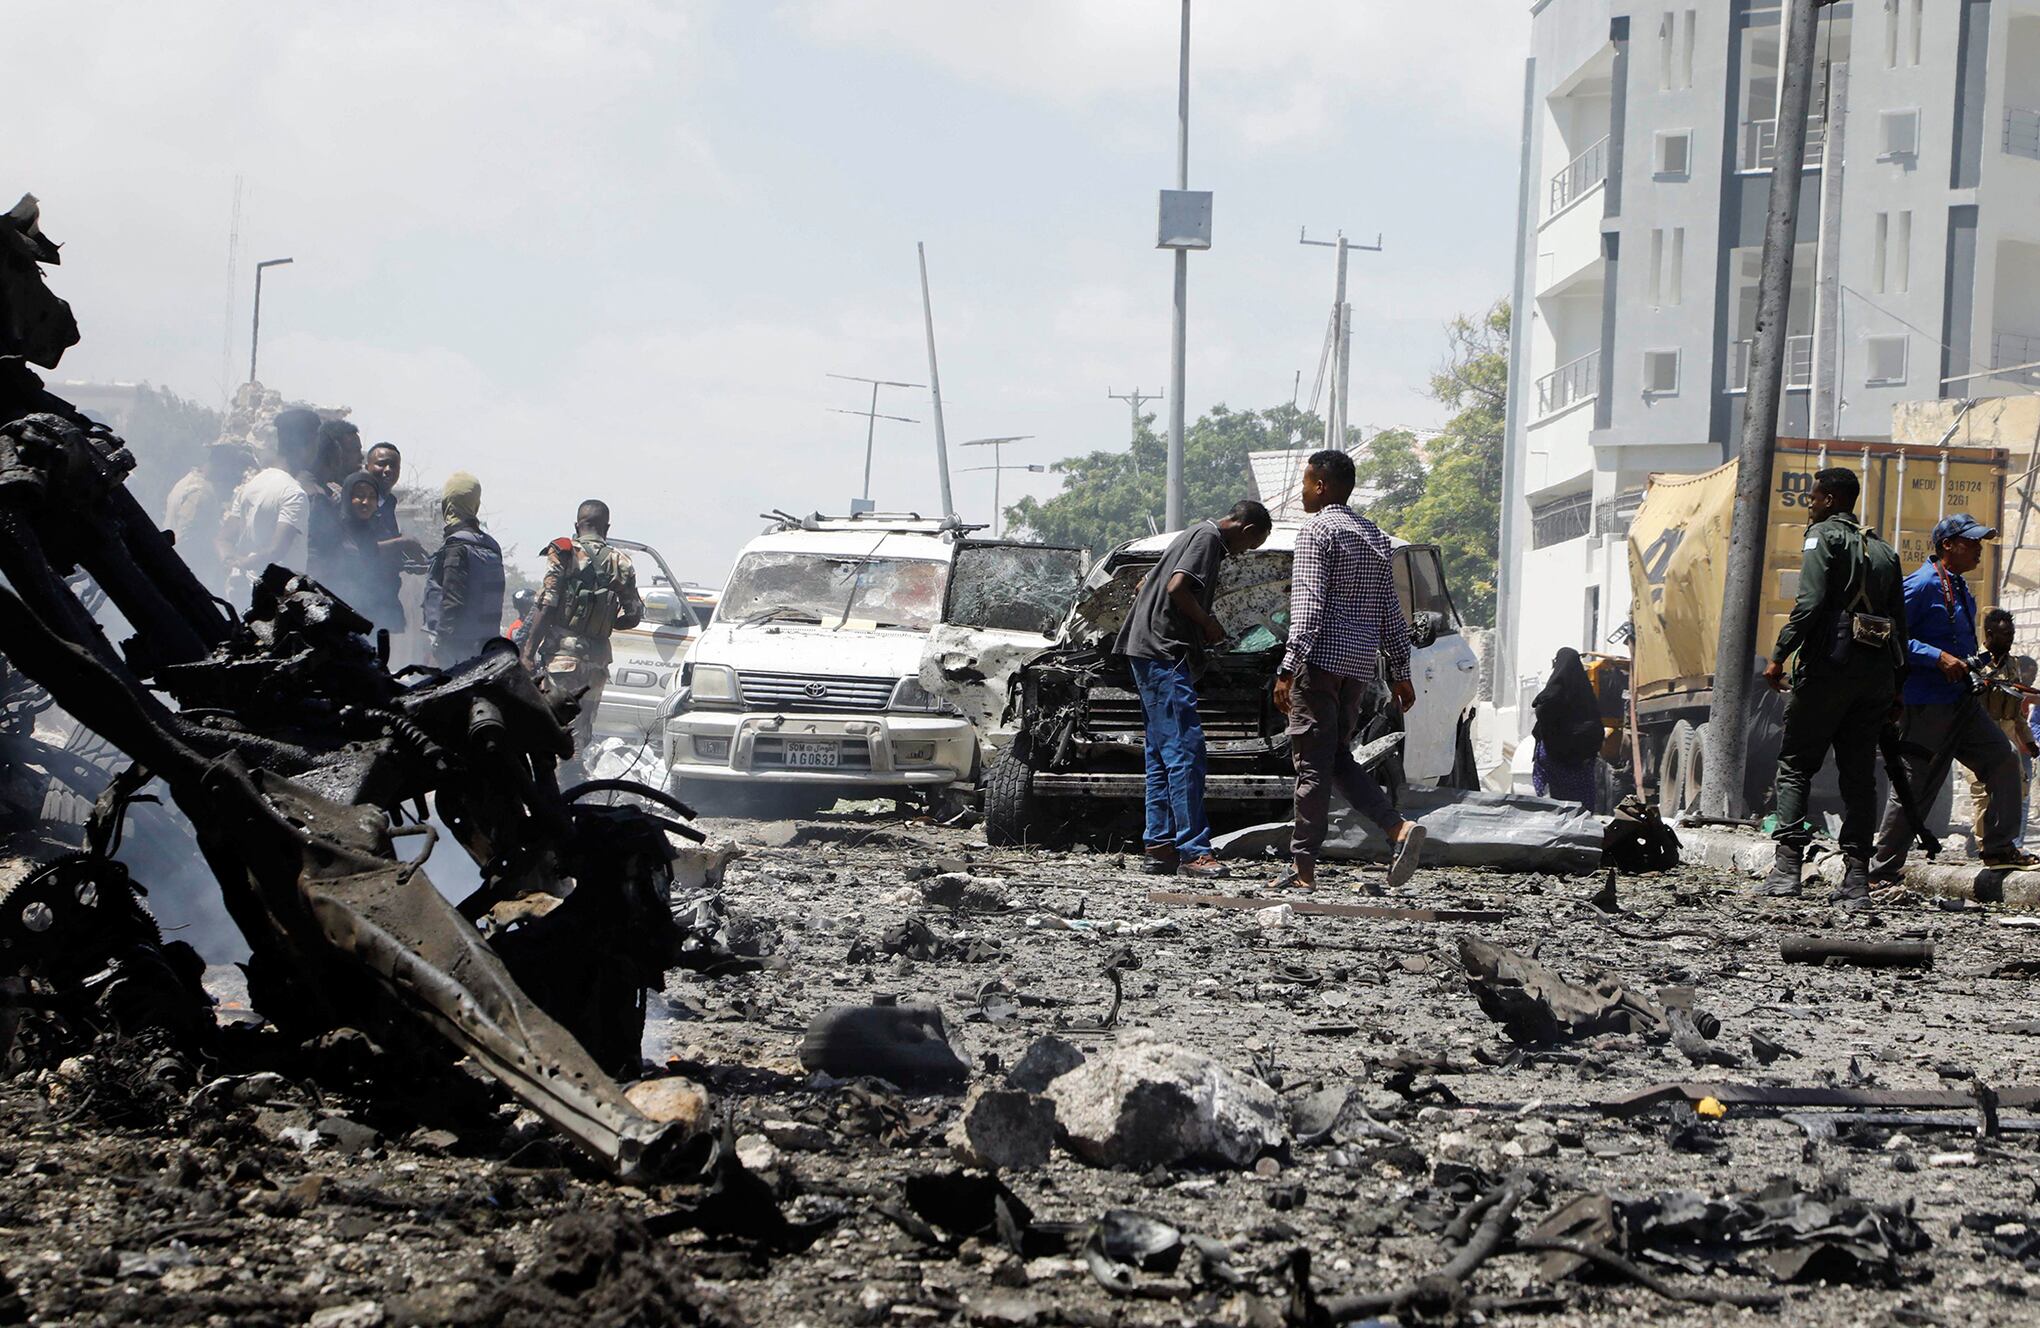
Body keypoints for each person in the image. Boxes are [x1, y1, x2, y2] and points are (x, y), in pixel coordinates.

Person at [1272, 449, 1425, 890]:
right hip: (1357, 668)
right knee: (1336, 759)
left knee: (1313, 768)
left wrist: (1288, 667)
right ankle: (1396, 828)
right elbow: (1389, 612)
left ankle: (1303, 869)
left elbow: (1309, 607)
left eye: (1304, 482)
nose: (1302, 491)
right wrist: (1401, 670)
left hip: (1319, 665)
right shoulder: (1374, 536)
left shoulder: (1316, 532)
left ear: (1320, 485)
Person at [1756, 467, 1907, 904]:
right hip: (1875, 677)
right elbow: (1900, 623)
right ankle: (1856, 880)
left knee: (1797, 764)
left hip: (1828, 671)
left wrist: (1780, 654)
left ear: (1830, 500)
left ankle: (1786, 870)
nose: (1810, 506)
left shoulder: (1822, 536)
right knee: (1859, 777)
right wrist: (1897, 687)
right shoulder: (1884, 550)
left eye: (1814, 498)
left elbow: (1810, 602)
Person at [1868, 513, 2039, 880]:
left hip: (1961, 702)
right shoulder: (1922, 584)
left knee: (2003, 759)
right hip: (1927, 704)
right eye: (1971, 542)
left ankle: (1998, 848)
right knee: (1915, 786)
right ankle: (1881, 871)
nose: (1979, 549)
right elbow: (1889, 632)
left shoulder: (1959, 588)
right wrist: (1936, 657)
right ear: (1947, 545)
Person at [1113, 499, 1274, 878]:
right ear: (1247, 530)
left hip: (1146, 649)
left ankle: (1160, 846)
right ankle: (1194, 851)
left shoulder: (1192, 532)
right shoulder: (1210, 539)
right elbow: (1178, 587)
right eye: (1248, 547)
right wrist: (1209, 624)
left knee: (1160, 754)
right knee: (1187, 751)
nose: (1238, 555)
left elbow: (1145, 583)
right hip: (1166, 652)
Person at [520, 499, 642, 761]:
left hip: (563, 659)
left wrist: (528, 652)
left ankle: (554, 794)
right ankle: (573, 787)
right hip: (597, 663)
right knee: (580, 734)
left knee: (552, 729)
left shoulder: (564, 551)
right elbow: (633, 616)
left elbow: (548, 603)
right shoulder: (622, 562)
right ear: (606, 528)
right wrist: (607, 620)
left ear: (577, 525)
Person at [218, 408, 318, 605]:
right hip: (277, 600)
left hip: (244, 595)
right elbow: (276, 550)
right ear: (307, 445)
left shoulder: (252, 484)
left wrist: (231, 561)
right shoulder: (293, 493)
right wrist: (244, 563)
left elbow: (222, 538)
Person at [1963, 610, 2039, 848]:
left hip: (2007, 737)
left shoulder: (2013, 665)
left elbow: (2016, 712)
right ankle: (1984, 847)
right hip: (1979, 736)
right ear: (1989, 634)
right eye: (2005, 634)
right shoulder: (1974, 662)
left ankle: (2008, 846)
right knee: (1983, 795)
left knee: (2018, 791)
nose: (2010, 639)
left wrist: (2029, 742)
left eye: (2012, 634)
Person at [421, 472, 506, 668]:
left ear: (447, 504)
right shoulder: (492, 547)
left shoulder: (456, 547)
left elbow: (453, 601)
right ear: (475, 505)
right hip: (486, 648)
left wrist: (441, 646)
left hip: (456, 650)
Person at [162, 442, 250, 595]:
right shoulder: (201, 493)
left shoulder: (187, 481)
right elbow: (185, 539)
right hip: (188, 570)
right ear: (223, 466)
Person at [326, 471, 406, 632]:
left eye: (371, 496)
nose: (365, 502)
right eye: (359, 495)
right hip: (343, 616)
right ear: (348, 498)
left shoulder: (378, 529)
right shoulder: (336, 528)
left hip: (374, 617)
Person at [1530, 648, 1603, 805]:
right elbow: (1596, 731)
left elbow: (1542, 713)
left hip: (1552, 758)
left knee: (1552, 806)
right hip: (1580, 765)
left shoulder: (1552, 693)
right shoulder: (1586, 696)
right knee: (1579, 808)